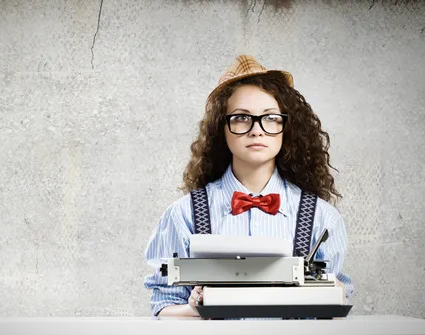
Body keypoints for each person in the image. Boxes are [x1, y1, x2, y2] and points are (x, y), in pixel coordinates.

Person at [143, 55, 354, 318]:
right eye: (241, 118)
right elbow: (162, 308)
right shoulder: (183, 214)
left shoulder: (322, 218)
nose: (256, 130)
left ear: (286, 127)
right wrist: (194, 309)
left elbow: (335, 311)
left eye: (270, 118)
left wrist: (332, 292)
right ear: (222, 129)